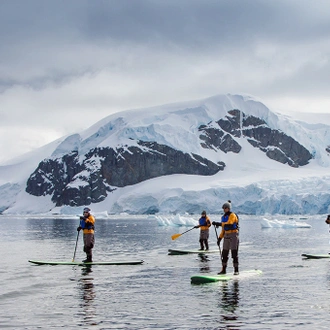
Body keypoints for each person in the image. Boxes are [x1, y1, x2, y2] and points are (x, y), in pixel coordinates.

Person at [212, 200, 239, 275]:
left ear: (228, 208)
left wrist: (219, 223)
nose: (224, 209)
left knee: (234, 254)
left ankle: (236, 270)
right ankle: (223, 270)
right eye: (223, 208)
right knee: (224, 254)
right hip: (226, 236)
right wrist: (219, 239)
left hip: (233, 235)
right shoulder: (223, 217)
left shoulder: (232, 215)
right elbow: (223, 230)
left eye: (225, 208)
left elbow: (229, 224)